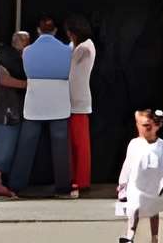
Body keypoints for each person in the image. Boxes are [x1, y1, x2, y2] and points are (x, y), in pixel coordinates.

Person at [20, 16, 78, 195]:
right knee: (60, 146)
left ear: (38, 30)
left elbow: (27, 72)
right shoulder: (67, 51)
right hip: (58, 100)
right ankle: (63, 186)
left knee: (26, 144)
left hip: (35, 101)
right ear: (55, 30)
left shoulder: (27, 51)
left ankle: (17, 183)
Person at [117, 107, 163, 243]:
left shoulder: (160, 145)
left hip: (153, 184)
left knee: (153, 211)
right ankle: (130, 235)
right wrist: (123, 182)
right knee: (134, 208)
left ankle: (154, 237)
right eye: (143, 125)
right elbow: (127, 164)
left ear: (157, 126)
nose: (146, 129)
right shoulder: (134, 144)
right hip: (136, 183)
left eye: (149, 126)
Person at [0, 27, 35, 198]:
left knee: (13, 144)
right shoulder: (7, 57)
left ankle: (8, 182)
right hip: (8, 106)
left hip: (19, 106)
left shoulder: (24, 58)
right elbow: (4, 79)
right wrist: (28, 84)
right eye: (26, 41)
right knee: (4, 141)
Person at [67, 15, 100, 196]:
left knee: (79, 143)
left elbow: (71, 66)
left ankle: (81, 180)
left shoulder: (84, 47)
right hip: (75, 99)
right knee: (76, 143)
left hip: (77, 100)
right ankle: (77, 178)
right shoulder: (82, 46)